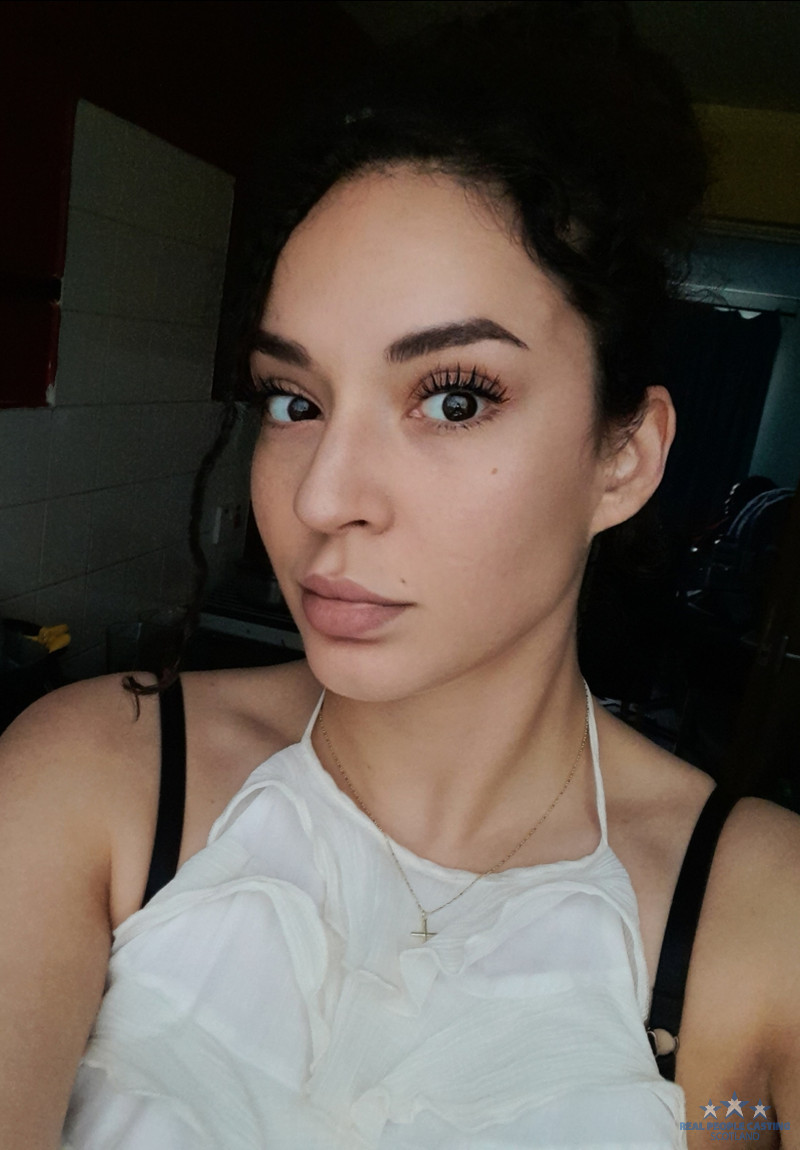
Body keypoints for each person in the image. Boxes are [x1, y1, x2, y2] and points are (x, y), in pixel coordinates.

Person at [2, 5, 799, 1148]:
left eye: (453, 398)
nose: (323, 496)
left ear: (623, 456)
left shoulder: (757, 912)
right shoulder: (97, 773)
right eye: (295, 400)